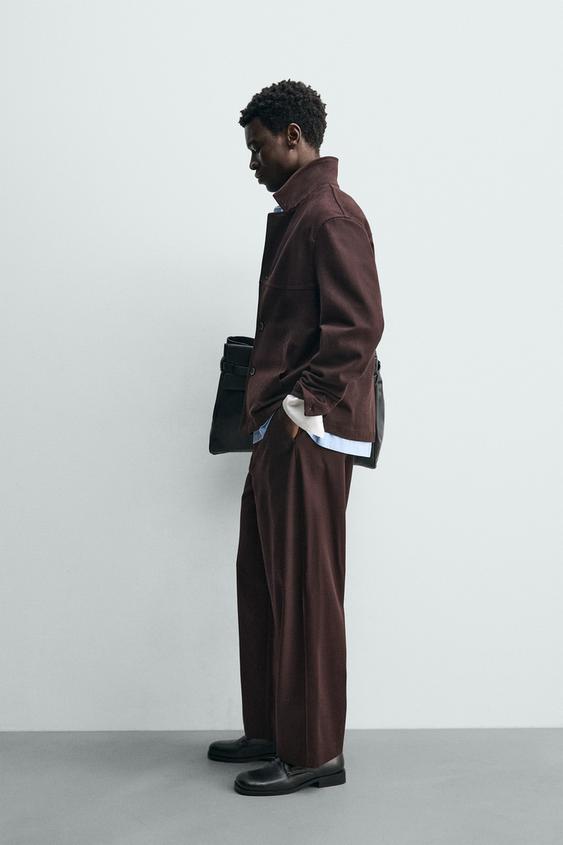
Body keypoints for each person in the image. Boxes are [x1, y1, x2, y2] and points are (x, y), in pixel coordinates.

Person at [208, 79, 385, 796]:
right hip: (277, 428)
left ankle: (313, 753)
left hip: (310, 434)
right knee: (262, 581)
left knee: (306, 592)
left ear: (292, 136)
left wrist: (300, 406)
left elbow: (359, 327)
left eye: (258, 146)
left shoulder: (330, 216)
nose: (251, 161)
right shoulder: (297, 214)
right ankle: (274, 728)